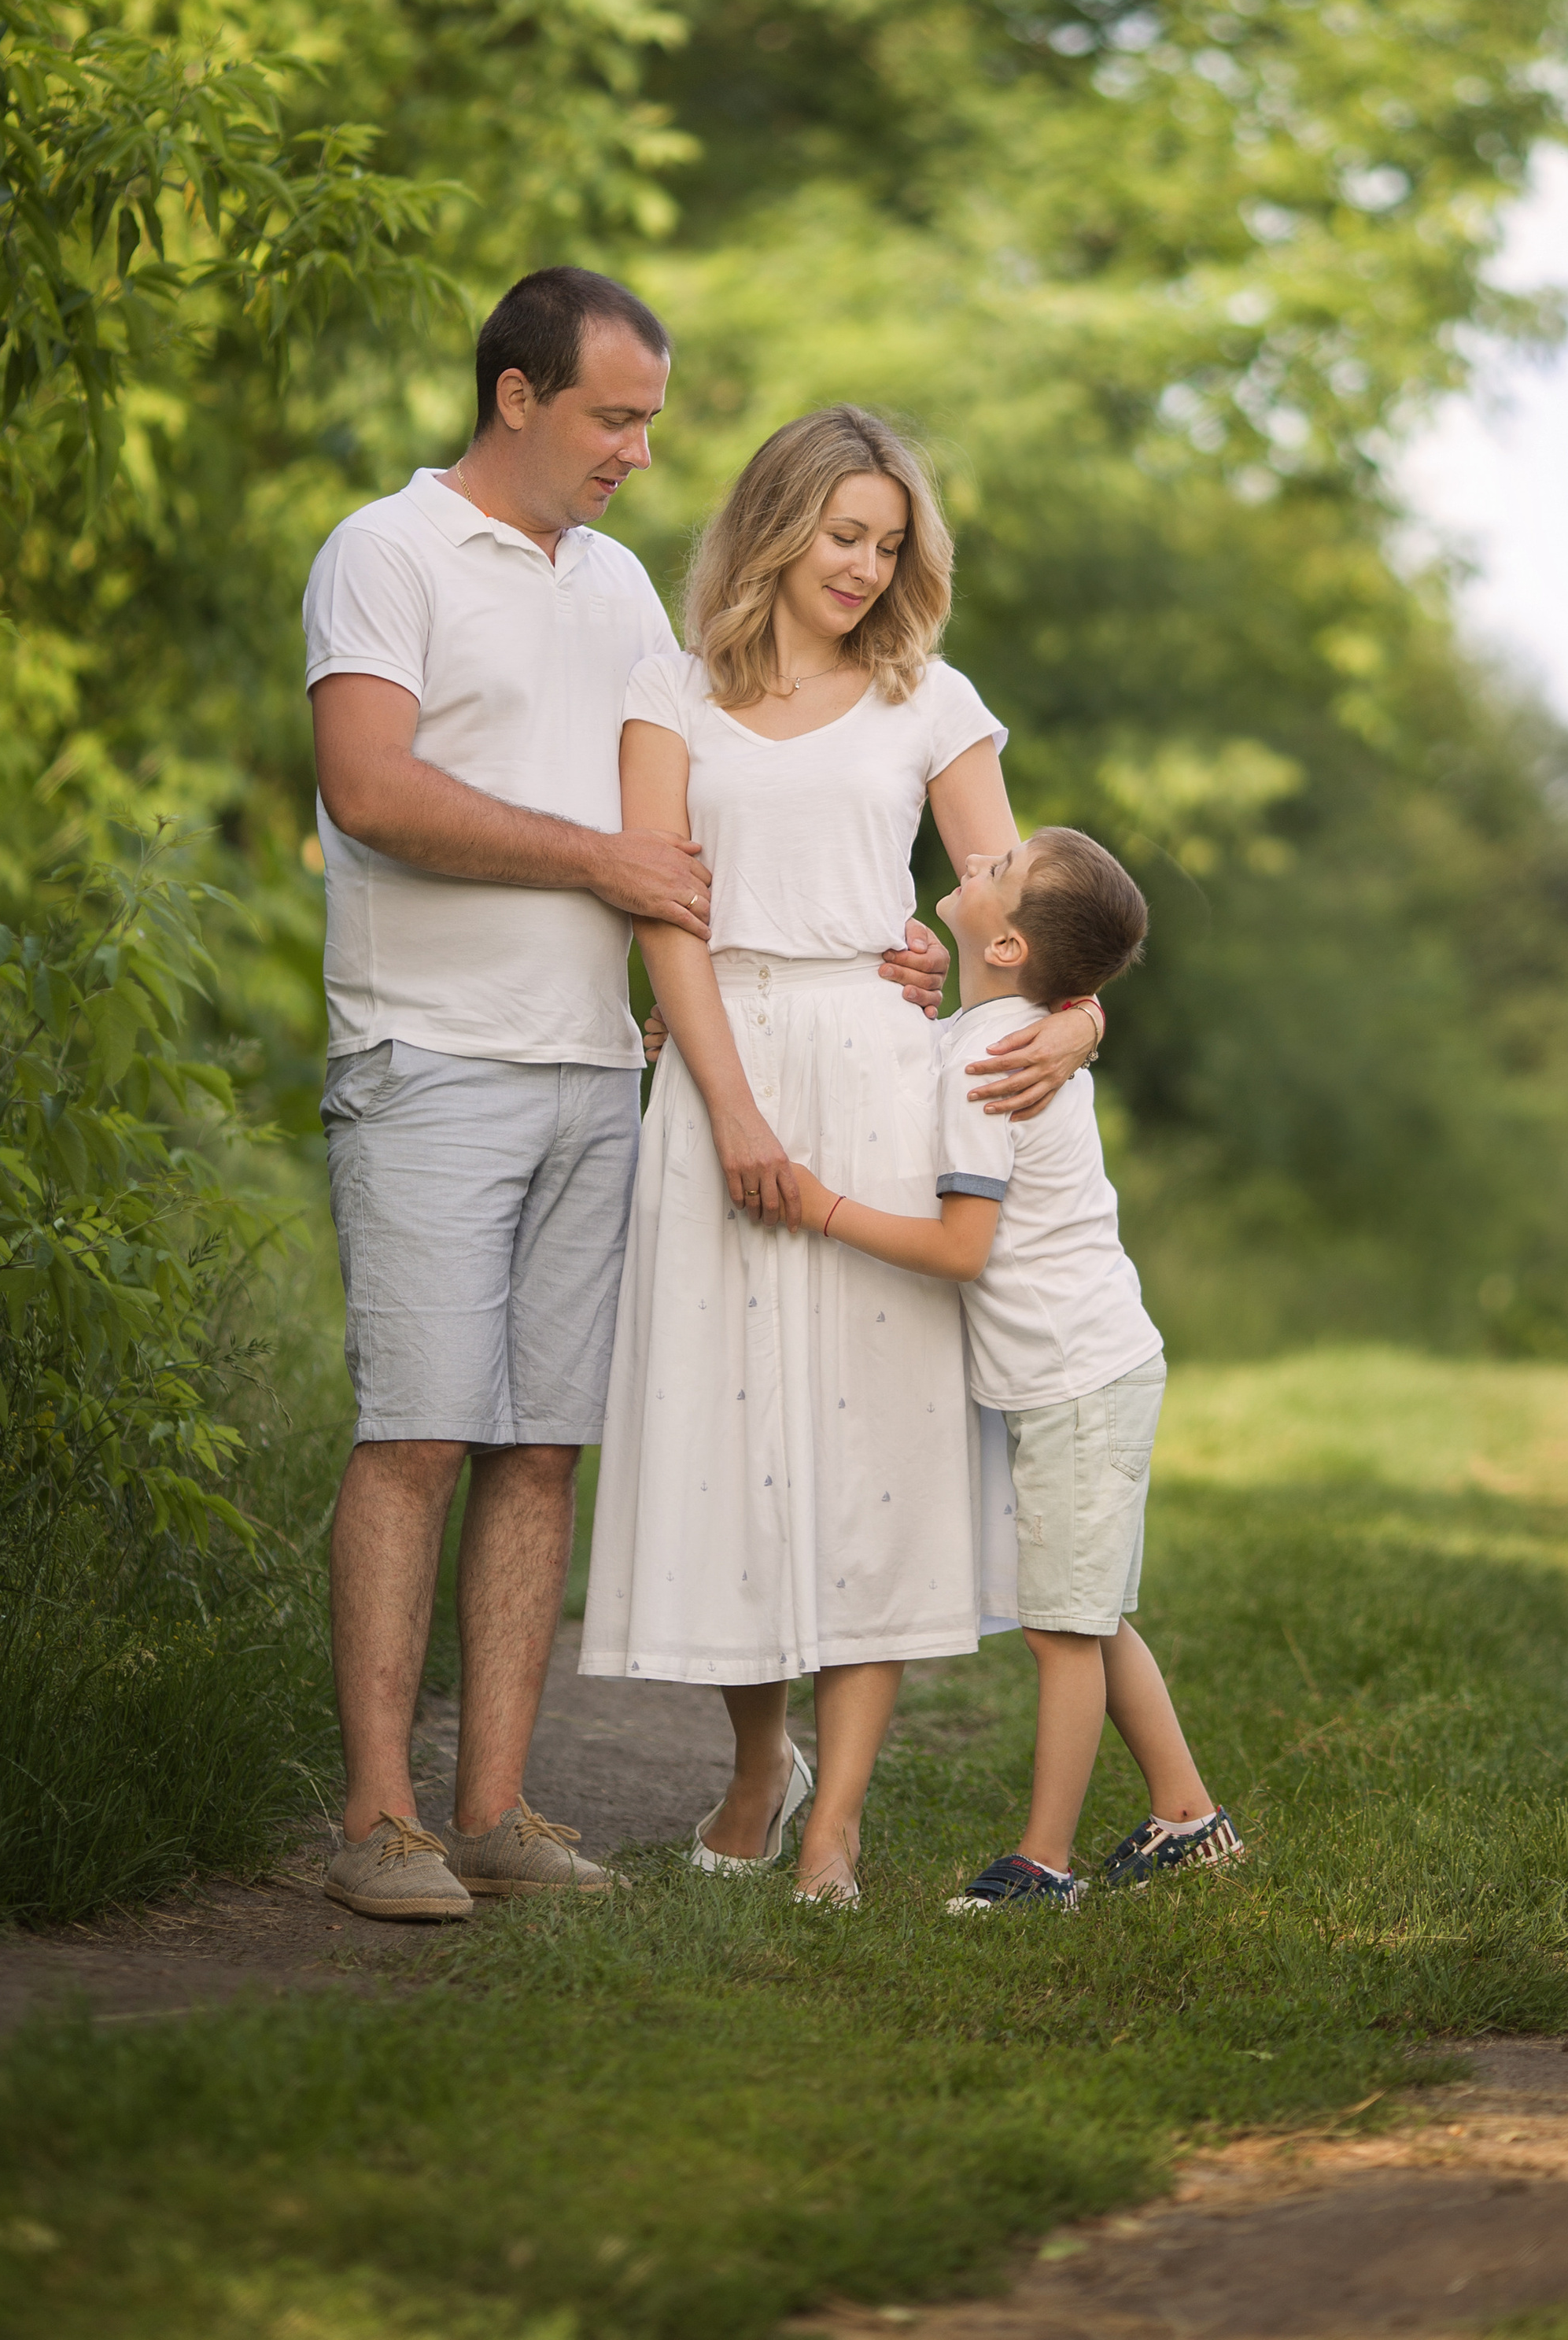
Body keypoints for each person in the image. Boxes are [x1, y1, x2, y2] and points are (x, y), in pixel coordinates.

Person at [303, 278, 980, 1921]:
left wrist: (898, 942)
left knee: (541, 1451)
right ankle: (378, 1817)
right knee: (416, 1432)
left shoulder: (616, 595)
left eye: (652, 420)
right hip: (429, 1050)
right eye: (613, 416)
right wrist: (607, 866)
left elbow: (757, 798)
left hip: (606, 1067)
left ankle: (497, 1811)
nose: (638, 448)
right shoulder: (382, 553)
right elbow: (366, 789)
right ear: (517, 396)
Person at [579, 408, 1103, 1904]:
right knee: (724, 1449)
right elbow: (663, 913)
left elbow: (1027, 919)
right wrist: (734, 1108)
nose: (868, 568)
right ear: (775, 525)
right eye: (844, 536)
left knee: (874, 1450)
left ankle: (840, 1822)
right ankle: (761, 1764)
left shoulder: (930, 700)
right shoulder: (666, 689)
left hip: (875, 1077)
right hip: (713, 1069)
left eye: (891, 544)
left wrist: (1064, 1022)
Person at [792, 825, 1244, 1911]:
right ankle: (1186, 1814)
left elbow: (960, 1248)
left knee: (1063, 1628)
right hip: (1078, 1368)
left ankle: (1043, 1864)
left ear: (1006, 950)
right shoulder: (1000, 1030)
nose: (982, 856)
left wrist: (823, 1209)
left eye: (1002, 870)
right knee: (1090, 1611)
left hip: (1078, 1375)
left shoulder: (997, 1060)